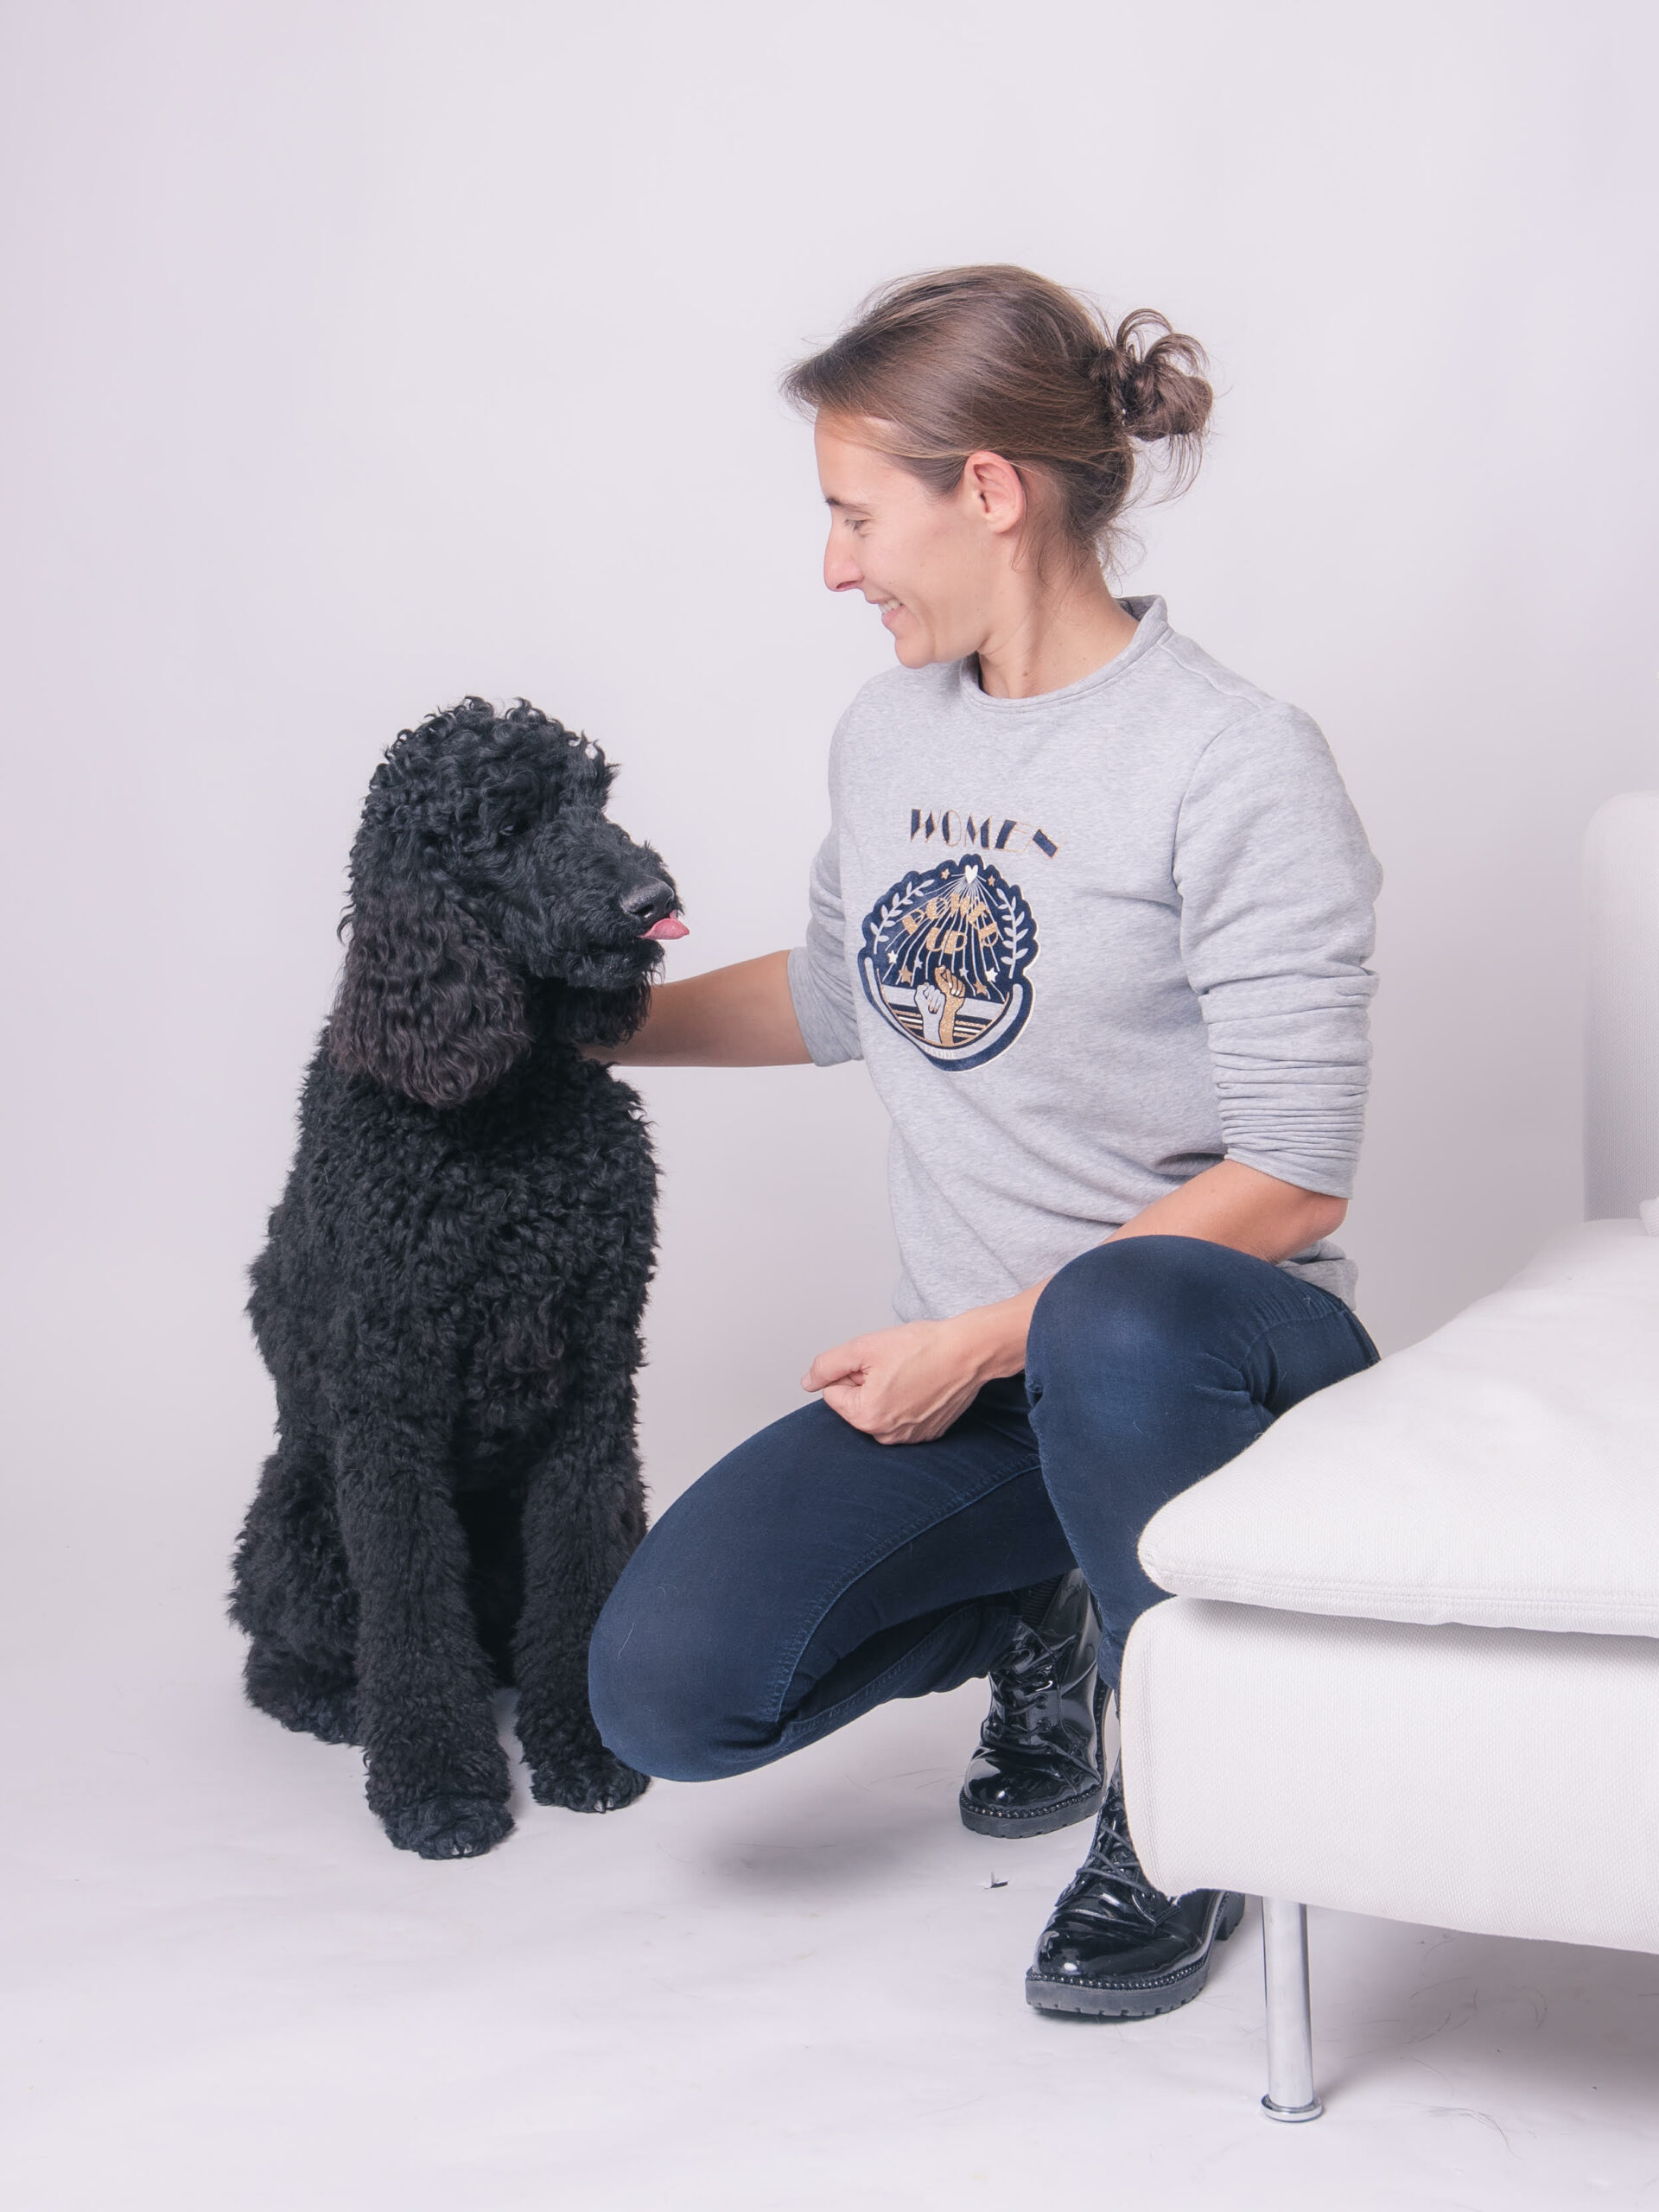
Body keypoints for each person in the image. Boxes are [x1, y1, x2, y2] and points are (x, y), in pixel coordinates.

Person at [588, 264, 1382, 2020]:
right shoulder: (887, 734)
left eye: (852, 513)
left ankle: (1193, 1799)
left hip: (1210, 1368)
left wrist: (978, 1333)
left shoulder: (1233, 762)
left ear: (990, 493)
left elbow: (1298, 1168)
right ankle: (1054, 1606)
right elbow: (832, 994)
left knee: (1114, 1313)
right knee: (665, 1687)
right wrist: (567, 1029)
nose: (833, 564)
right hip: (993, 1381)